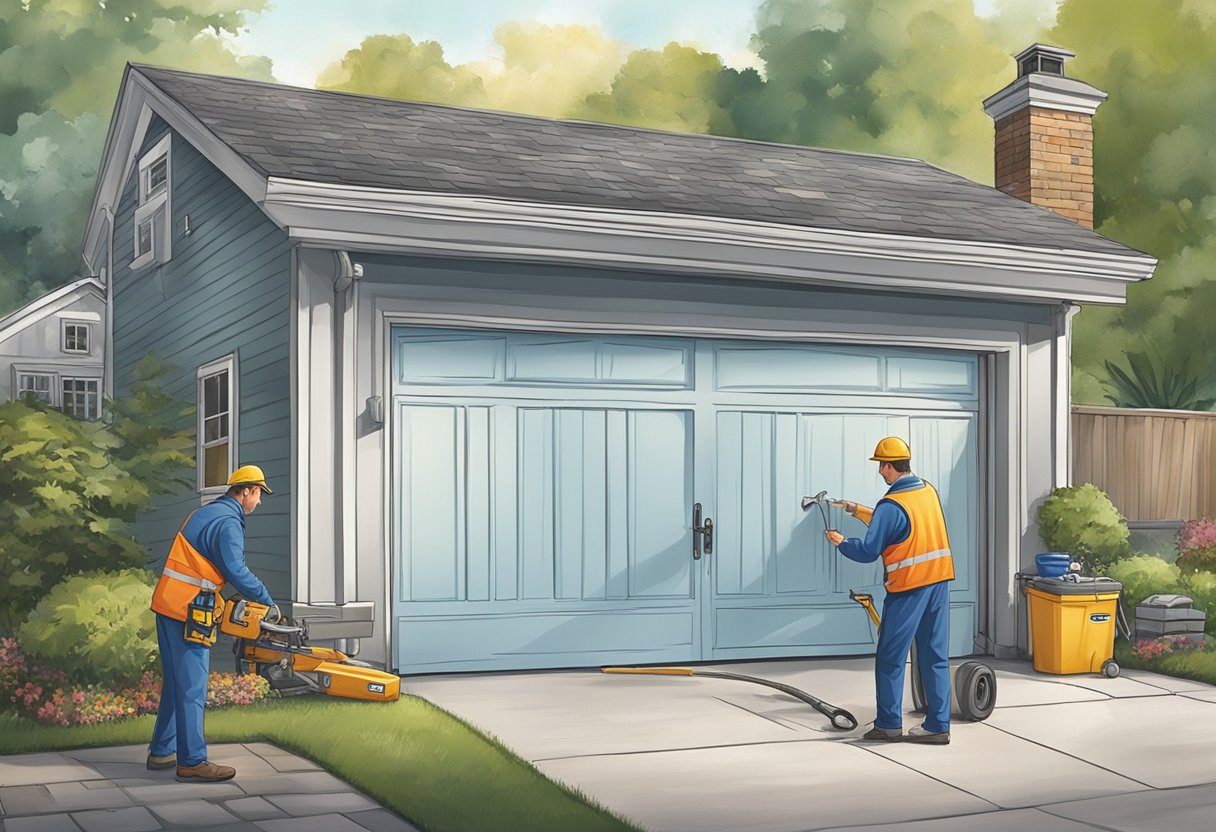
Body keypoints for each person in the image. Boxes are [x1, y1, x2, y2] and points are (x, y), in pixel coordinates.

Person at [147, 465, 278, 781]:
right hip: (190, 610)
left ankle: (162, 751)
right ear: (245, 490)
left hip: (168, 603)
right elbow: (236, 569)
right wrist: (266, 600)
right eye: (258, 493)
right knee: (192, 685)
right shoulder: (230, 522)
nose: (258, 502)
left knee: (177, 682)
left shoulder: (203, 513)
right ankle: (191, 761)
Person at [824, 437, 955, 745]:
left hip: (909, 587)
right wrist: (857, 510)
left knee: (890, 658)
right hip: (938, 583)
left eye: (880, 467)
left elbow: (870, 549)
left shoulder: (890, 505)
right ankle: (938, 726)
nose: (880, 473)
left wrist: (842, 543)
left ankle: (889, 725)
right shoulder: (926, 490)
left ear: (887, 465)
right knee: (935, 656)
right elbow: (900, 524)